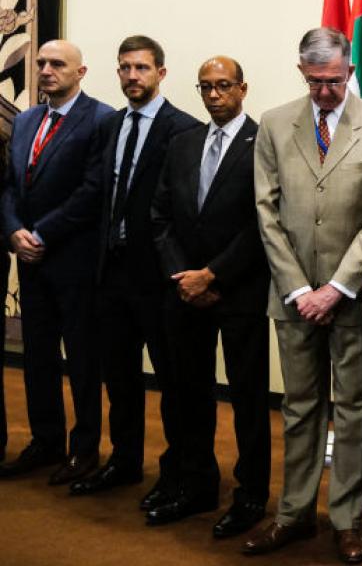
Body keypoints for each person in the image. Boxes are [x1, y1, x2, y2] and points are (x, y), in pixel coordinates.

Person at [246, 27, 362, 564]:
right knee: (299, 407)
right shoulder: (274, 124)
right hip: (292, 299)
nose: (325, 92)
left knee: (355, 409)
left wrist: (335, 288)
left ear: (350, 71)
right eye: (315, 82)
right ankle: (292, 513)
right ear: (301, 73)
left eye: (334, 81)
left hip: (353, 298)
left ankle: (347, 520)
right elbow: (266, 210)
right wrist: (298, 288)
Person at [71, 36, 200, 501]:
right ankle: (124, 461)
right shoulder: (111, 125)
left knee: (172, 382)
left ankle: (175, 471)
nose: (132, 76)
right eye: (125, 67)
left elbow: (184, 210)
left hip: (159, 277)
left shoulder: (184, 129)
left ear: (160, 73)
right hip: (112, 272)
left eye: (142, 68)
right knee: (120, 377)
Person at [148, 56, 271, 534]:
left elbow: (262, 222)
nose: (214, 95)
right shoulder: (183, 143)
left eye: (223, 85)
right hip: (184, 291)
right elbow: (160, 215)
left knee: (248, 399)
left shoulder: (263, 142)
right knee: (188, 393)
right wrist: (183, 275)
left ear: (243, 88)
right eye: (205, 87)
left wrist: (213, 275)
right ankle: (196, 484)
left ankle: (251, 496)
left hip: (238, 291)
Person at [0, 40, 111, 483]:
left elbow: (93, 190)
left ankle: (83, 451)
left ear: (80, 72)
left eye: (57, 64)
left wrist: (42, 233)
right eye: (42, 63)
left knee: (82, 359)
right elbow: (10, 185)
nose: (46, 70)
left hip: (75, 260)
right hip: (30, 261)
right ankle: (46, 442)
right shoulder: (26, 119)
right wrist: (13, 230)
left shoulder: (100, 119)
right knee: (37, 357)